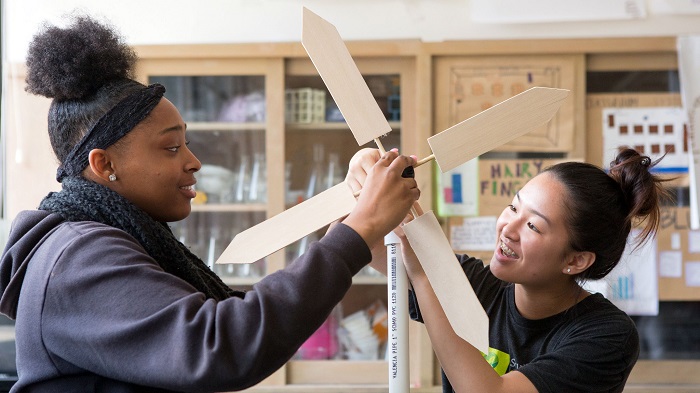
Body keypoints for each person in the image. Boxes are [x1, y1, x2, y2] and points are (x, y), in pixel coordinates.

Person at [0, 16, 420, 392]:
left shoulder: (102, 240)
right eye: (170, 148)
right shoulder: (78, 257)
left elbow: (227, 321)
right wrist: (357, 232)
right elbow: (221, 344)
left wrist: (348, 223)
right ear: (104, 163)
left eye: (187, 144)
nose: (193, 161)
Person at [347, 147, 669, 393]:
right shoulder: (473, 283)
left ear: (576, 260)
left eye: (532, 225)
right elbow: (359, 247)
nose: (507, 229)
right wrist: (362, 181)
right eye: (514, 207)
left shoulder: (606, 335)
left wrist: (422, 274)